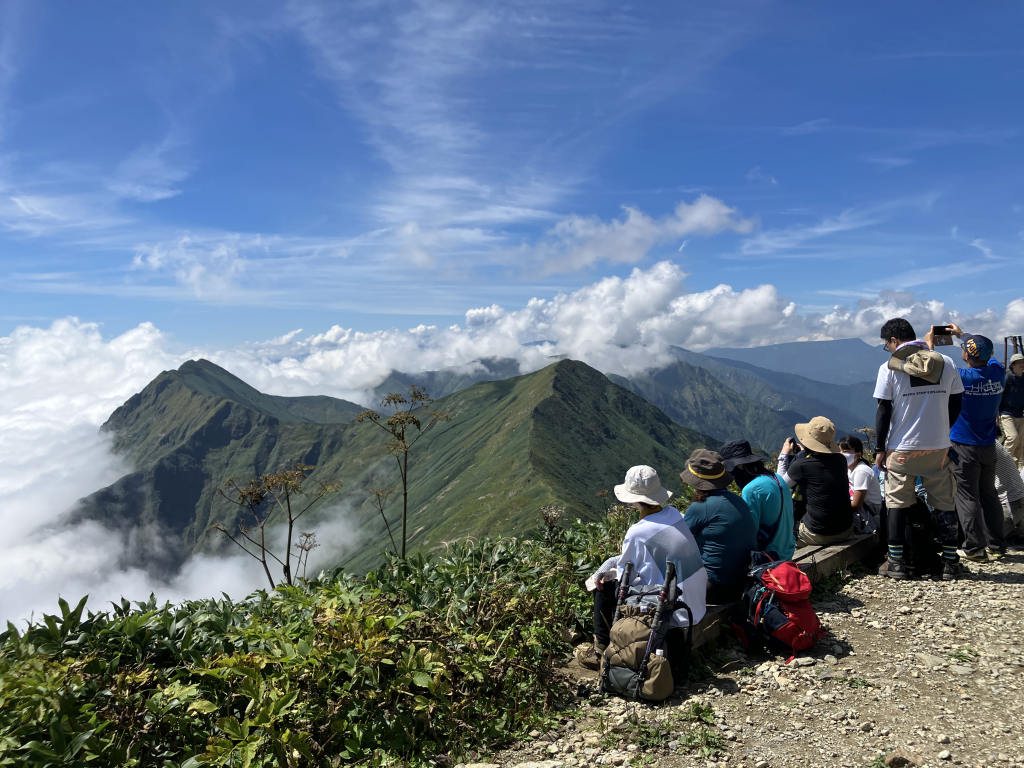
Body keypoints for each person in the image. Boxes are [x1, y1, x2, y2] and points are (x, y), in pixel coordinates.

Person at [575, 465, 708, 675]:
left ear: (632, 498)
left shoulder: (638, 531)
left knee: (604, 587)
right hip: (695, 602)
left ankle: (599, 649)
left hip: (673, 610)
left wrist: (602, 571)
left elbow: (625, 572)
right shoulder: (674, 514)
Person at [873, 317, 964, 580]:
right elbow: (957, 402)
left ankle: (896, 562)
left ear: (894, 340)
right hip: (938, 448)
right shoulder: (946, 362)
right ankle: (950, 562)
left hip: (902, 448)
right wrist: (943, 429)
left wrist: (880, 448)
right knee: (944, 503)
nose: (888, 350)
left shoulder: (888, 369)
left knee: (897, 503)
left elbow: (883, 411)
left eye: (886, 345)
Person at [941, 324, 1006, 561]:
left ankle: (974, 548)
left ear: (967, 355)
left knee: (967, 496)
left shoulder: (962, 376)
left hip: (963, 444)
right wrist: (964, 336)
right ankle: (997, 545)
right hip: (989, 444)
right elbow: (991, 357)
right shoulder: (999, 373)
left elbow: (935, 365)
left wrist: (933, 340)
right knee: (989, 494)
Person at [680, 449, 758, 603]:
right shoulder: (738, 500)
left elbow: (679, 544)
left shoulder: (700, 507)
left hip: (715, 588)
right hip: (743, 583)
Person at [778, 416, 854, 545]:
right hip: (846, 529)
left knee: (782, 530)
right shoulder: (841, 460)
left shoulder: (802, 465)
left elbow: (780, 486)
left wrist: (784, 454)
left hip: (818, 533)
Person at [719, 438, 795, 561]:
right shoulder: (776, 477)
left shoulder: (751, 489)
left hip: (769, 559)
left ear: (740, 465)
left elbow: (749, 533)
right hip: (787, 552)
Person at [838, 434, 882, 534]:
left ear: (858, 455)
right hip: (861, 513)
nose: (841, 454)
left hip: (867, 516)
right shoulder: (851, 469)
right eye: (839, 451)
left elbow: (857, 504)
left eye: (845, 451)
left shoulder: (861, 471)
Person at [994, 441, 1024, 546]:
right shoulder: (989, 440)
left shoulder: (983, 443)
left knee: (987, 536)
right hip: (1016, 501)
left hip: (1010, 503)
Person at [999, 353, 1024, 466]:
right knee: (1013, 438)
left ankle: (1014, 468)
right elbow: (999, 395)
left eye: (1023, 362)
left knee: (1020, 444)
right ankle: (1004, 464)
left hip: (1020, 414)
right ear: (1012, 365)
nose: (1022, 364)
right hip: (1006, 413)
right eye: (1018, 362)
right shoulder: (1007, 377)